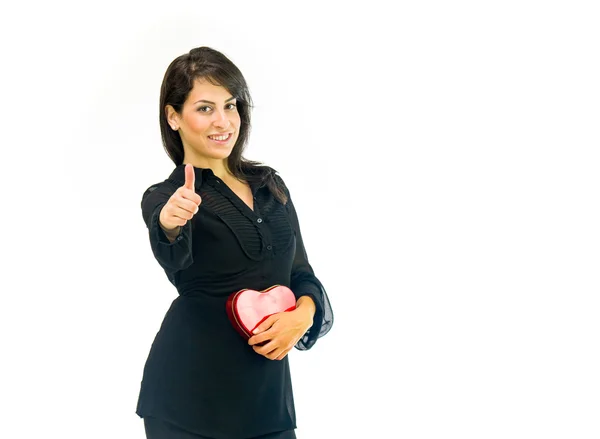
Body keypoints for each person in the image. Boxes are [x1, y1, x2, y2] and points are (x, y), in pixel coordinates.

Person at [135, 46, 334, 439]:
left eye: (231, 105)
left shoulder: (270, 186)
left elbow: (300, 272)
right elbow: (172, 252)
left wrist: (303, 314)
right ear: (173, 116)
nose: (223, 121)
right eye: (205, 108)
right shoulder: (164, 197)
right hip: (187, 399)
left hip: (266, 400)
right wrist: (171, 221)